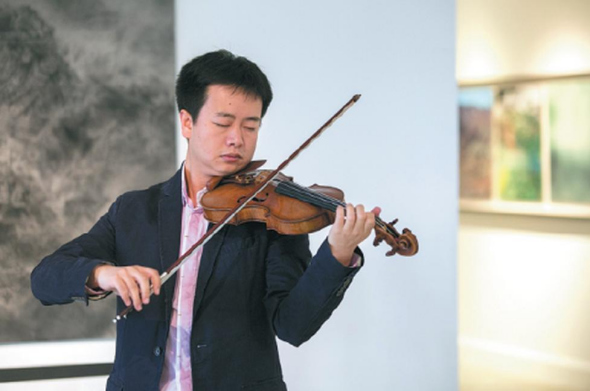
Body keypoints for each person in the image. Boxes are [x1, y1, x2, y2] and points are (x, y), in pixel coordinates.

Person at [31, 50, 378, 391]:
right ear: (187, 122)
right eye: (223, 123)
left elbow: (293, 326)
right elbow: (45, 278)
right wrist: (103, 274)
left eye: (251, 126)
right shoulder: (134, 210)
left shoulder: (272, 215)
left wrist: (338, 253)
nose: (237, 140)